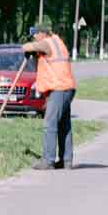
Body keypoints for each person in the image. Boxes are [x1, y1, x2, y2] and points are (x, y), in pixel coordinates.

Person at [22, 19, 76, 170]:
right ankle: (66, 161)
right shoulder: (58, 42)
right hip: (67, 87)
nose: (34, 38)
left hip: (59, 88)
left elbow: (27, 47)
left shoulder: (47, 43)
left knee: (49, 124)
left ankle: (48, 160)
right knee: (64, 125)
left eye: (35, 35)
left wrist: (28, 48)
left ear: (42, 34)